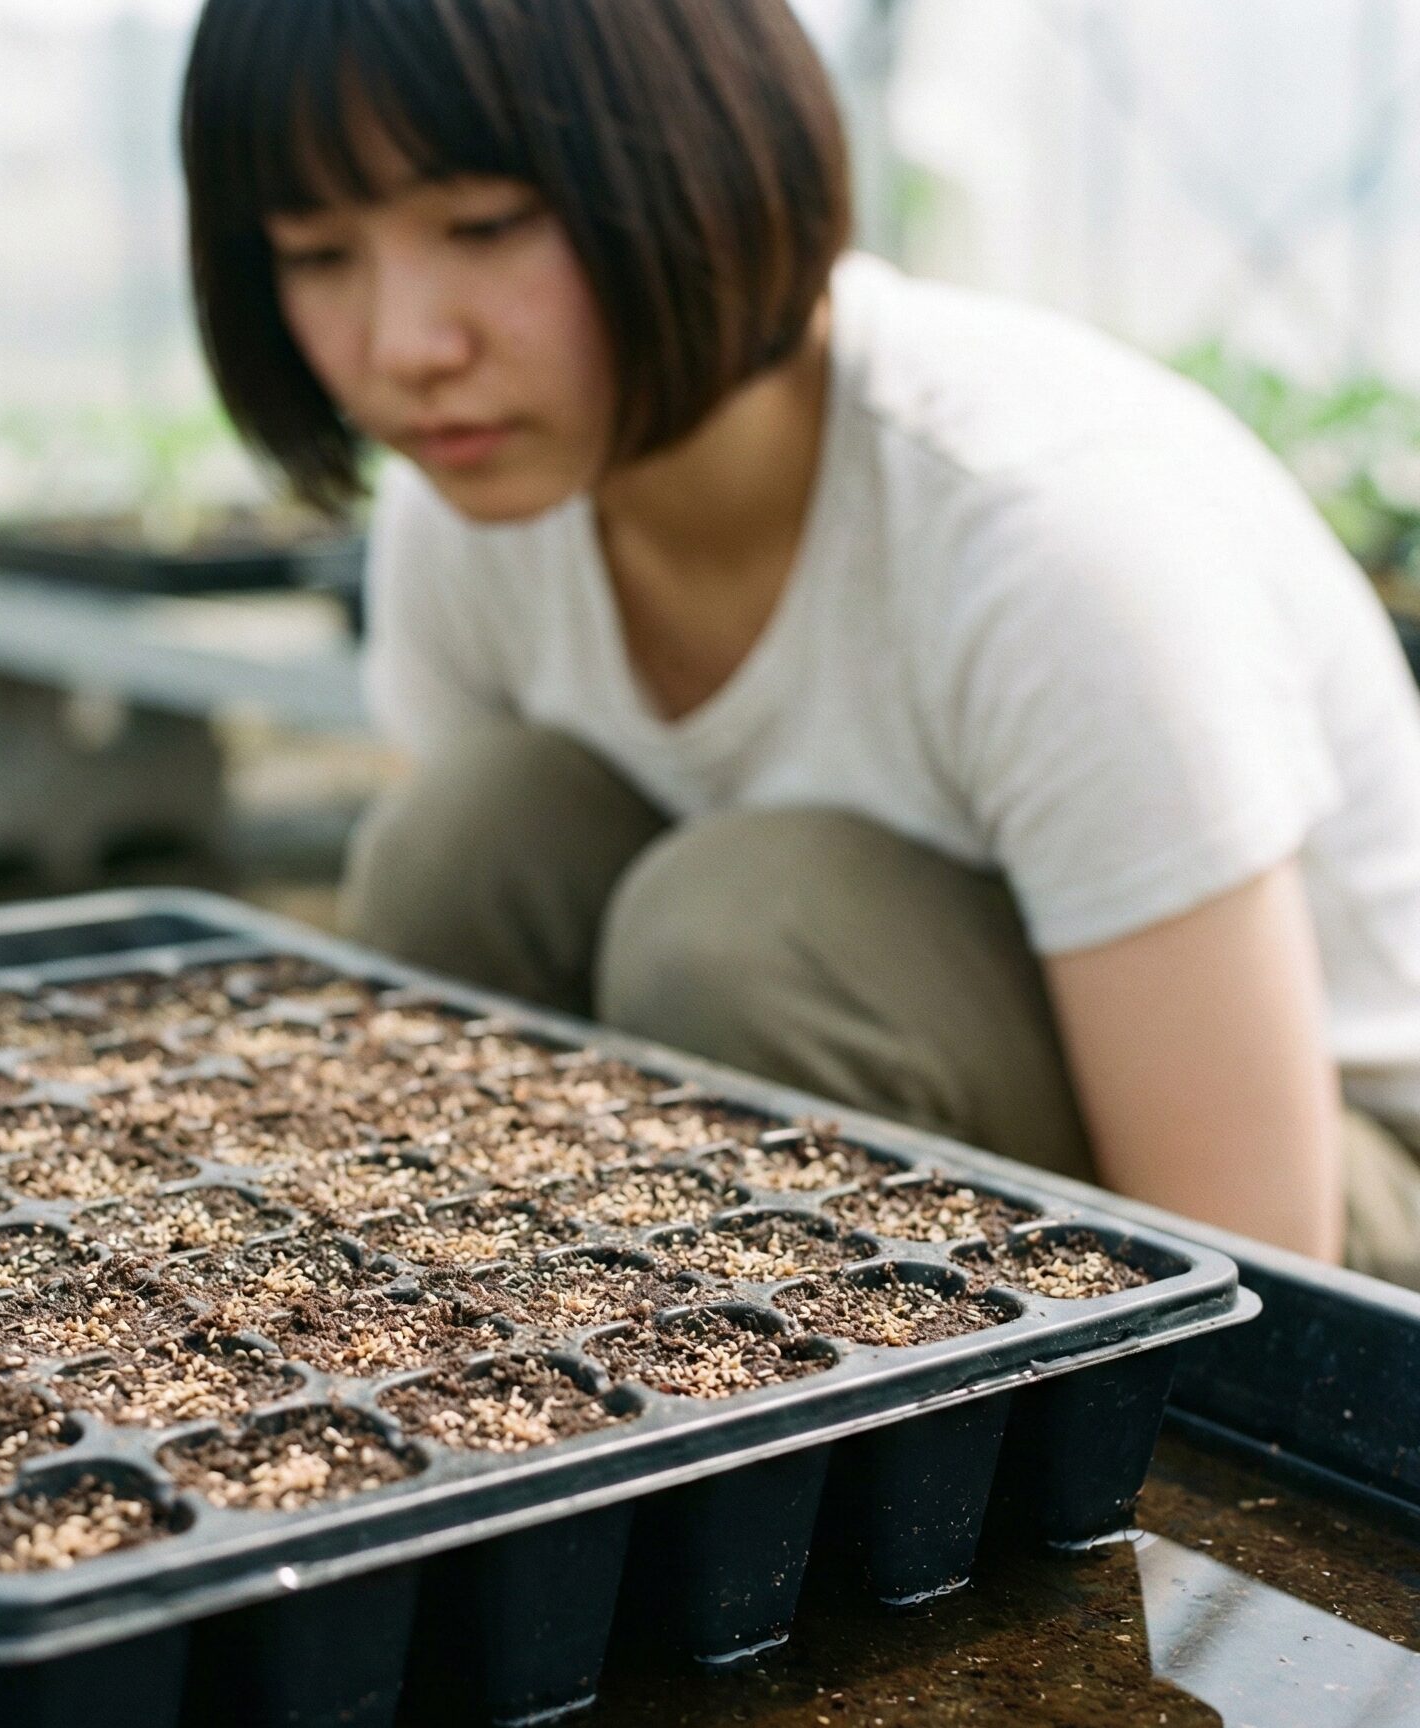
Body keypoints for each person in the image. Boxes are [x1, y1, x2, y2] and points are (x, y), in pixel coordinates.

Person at [179, 0, 1420, 1284]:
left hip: (1344, 1201)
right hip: (999, 1106)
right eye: (317, 253)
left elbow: (1264, 1266)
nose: (403, 348)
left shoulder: (1040, 531)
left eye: (485, 226)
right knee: (471, 838)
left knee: (740, 937)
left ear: (700, 160)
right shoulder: (474, 502)